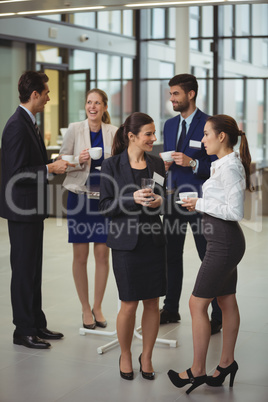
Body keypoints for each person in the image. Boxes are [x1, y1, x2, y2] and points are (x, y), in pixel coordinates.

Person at [167, 114, 252, 394]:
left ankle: (197, 370)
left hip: (224, 243)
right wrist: (200, 205)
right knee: (226, 300)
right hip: (222, 240)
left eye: (206, 134)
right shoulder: (222, 164)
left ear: (221, 137)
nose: (202, 139)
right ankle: (226, 363)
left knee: (195, 304)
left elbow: (236, 212)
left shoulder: (230, 168)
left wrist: (200, 203)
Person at [0, 71, 70, 349]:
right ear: (35, 95)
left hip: (32, 208)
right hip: (22, 209)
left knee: (33, 269)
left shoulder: (28, 122)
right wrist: (50, 168)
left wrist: (54, 162)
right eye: (47, 93)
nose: (49, 98)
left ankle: (36, 323)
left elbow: (31, 162)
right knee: (23, 270)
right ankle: (23, 329)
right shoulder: (17, 125)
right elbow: (17, 172)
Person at [99, 112, 166, 381]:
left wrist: (160, 203)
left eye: (153, 133)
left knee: (152, 302)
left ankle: (146, 356)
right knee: (128, 303)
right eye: (148, 134)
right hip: (126, 244)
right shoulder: (111, 166)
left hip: (153, 240)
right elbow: (105, 207)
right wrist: (132, 198)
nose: (153, 138)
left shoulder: (158, 163)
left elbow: (164, 198)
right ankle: (126, 354)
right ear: (132, 136)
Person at [160, 73, 222, 334]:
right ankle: (171, 308)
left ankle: (217, 313)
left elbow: (218, 163)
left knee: (207, 257)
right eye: (170, 93)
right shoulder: (169, 125)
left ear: (190, 94)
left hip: (198, 201)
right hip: (172, 199)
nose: (171, 98)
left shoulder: (209, 124)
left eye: (175, 93)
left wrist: (194, 162)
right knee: (170, 256)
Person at [60, 89, 117, 329]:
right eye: (89, 102)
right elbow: (62, 161)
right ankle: (85, 308)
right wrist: (78, 158)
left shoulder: (114, 132)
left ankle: (98, 306)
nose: (92, 106)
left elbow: (120, 163)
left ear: (104, 107)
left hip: (103, 199)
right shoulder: (75, 129)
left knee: (103, 255)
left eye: (97, 103)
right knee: (80, 256)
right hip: (80, 197)